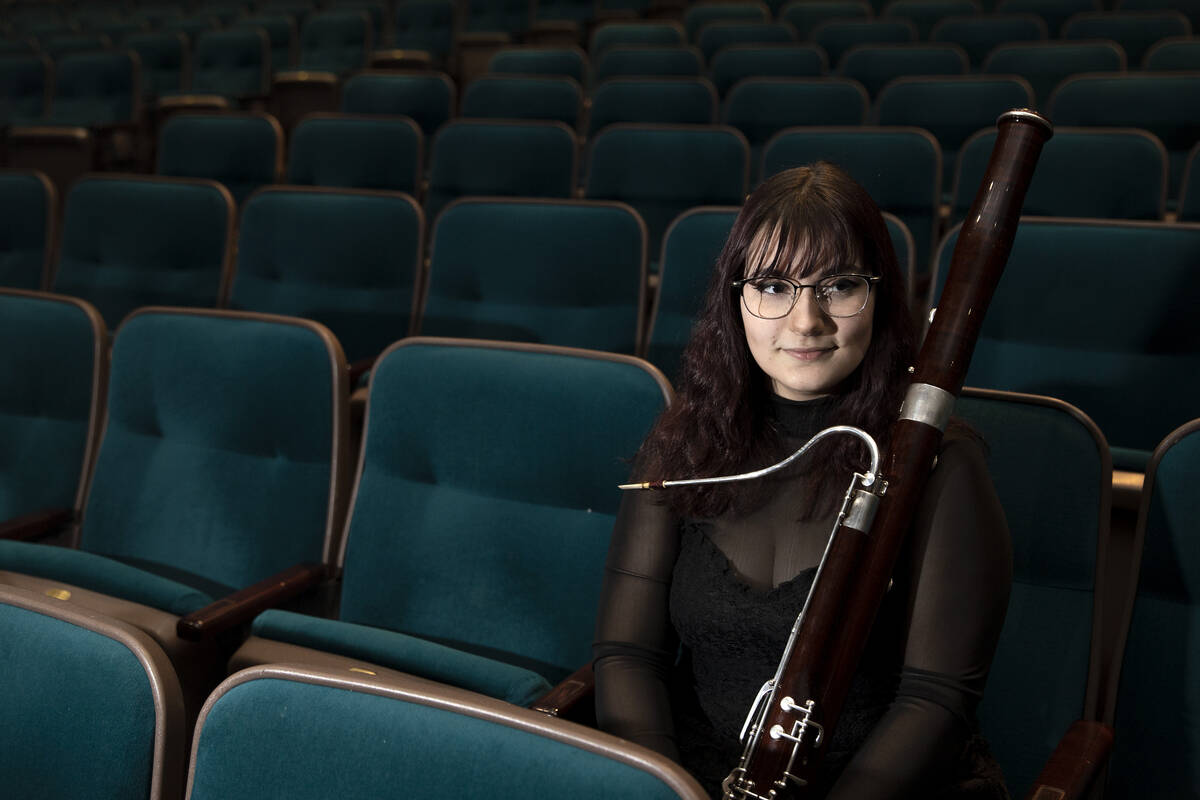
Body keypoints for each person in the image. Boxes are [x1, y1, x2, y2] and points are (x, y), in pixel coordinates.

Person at [592, 163, 1013, 799]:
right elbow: (629, 655)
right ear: (736, 297)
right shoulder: (685, 446)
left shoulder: (938, 465)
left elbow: (935, 700)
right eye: (772, 285)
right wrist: (667, 790)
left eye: (838, 286)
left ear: (880, 295)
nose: (805, 321)